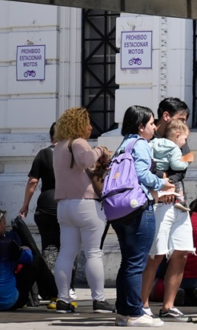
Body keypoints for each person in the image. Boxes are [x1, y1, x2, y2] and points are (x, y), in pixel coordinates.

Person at [112, 105, 178, 328]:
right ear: (141, 127)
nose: (154, 127)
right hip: (137, 207)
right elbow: (141, 174)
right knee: (136, 263)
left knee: (128, 262)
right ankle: (134, 312)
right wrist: (163, 184)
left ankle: (123, 312)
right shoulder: (140, 144)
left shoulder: (124, 144)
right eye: (151, 123)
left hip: (119, 209)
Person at [52, 107, 113, 313]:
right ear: (79, 125)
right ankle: (99, 300)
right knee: (94, 253)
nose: (90, 127)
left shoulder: (59, 146)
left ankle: (62, 300)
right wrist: (101, 150)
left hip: (64, 205)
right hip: (86, 204)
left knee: (66, 254)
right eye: (87, 123)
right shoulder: (78, 142)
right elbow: (87, 160)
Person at [140, 98, 195, 320]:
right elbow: (144, 168)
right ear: (166, 116)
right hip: (158, 202)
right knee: (156, 254)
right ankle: (142, 304)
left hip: (180, 202)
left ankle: (168, 305)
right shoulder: (149, 137)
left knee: (181, 252)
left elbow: (185, 166)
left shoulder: (180, 137)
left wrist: (169, 180)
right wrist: (162, 182)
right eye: (180, 119)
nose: (183, 125)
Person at [19, 124, 60, 303]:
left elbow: (33, 182)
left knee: (49, 247)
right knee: (68, 247)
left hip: (45, 206)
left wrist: (25, 205)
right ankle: (68, 288)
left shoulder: (43, 154)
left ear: (51, 137)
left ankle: (51, 290)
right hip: (66, 205)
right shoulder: (71, 154)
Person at [0, 208, 38, 311]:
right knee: (36, 261)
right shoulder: (8, 244)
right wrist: (26, 249)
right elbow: (29, 258)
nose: (5, 227)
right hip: (8, 302)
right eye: (4, 224)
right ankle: (53, 294)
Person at [150, 119, 191, 209]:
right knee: (178, 183)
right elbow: (175, 165)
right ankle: (180, 201)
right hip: (165, 171)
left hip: (154, 173)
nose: (185, 142)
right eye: (185, 139)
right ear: (177, 136)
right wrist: (186, 163)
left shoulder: (155, 141)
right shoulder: (175, 148)